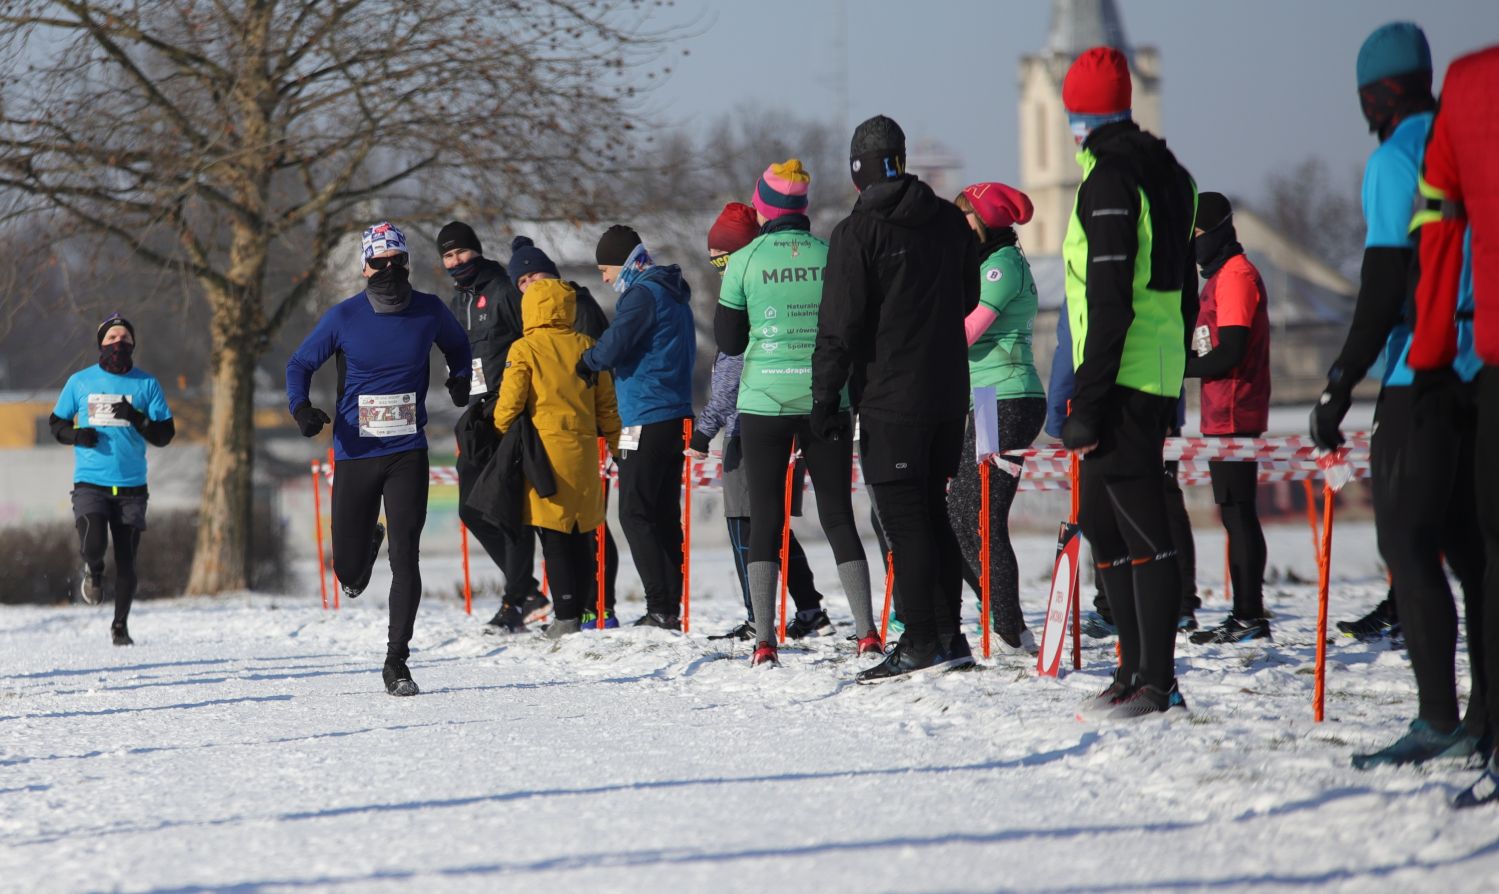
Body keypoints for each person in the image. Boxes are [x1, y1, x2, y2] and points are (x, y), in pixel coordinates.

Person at [1307, 23, 1488, 768]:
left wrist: (1339, 382)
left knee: (1406, 546)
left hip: (1420, 372)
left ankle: (1437, 720)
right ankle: (1484, 717)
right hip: (1482, 365)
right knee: (1476, 555)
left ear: (1375, 96)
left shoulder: (1393, 160)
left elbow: (1385, 282)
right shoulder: (1468, 139)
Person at [1057, 48, 1198, 719]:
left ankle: (1156, 680)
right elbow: (1186, 291)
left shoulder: (1110, 181)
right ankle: (1134, 670)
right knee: (1105, 523)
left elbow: (1109, 298)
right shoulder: (1168, 174)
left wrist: (1089, 397)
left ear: (1080, 116)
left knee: (1143, 531)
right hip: (1152, 369)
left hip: (1124, 376)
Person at [812, 115, 978, 682]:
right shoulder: (951, 225)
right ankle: (950, 636)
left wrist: (824, 398)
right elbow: (970, 294)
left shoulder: (857, 234)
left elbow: (839, 326)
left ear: (858, 170)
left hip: (890, 398)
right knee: (932, 512)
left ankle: (924, 640)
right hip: (949, 393)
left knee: (906, 522)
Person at [286, 221, 471, 696]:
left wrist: (460, 379)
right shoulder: (343, 317)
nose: (387, 270)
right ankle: (366, 543)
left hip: (407, 451)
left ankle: (397, 662)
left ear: (406, 264)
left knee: (406, 556)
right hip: (355, 452)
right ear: (364, 267)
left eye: (395, 262)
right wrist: (301, 408)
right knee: (348, 572)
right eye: (379, 263)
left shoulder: (428, 310)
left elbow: (459, 347)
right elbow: (300, 364)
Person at [716, 161, 879, 666]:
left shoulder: (744, 259)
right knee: (836, 514)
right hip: (827, 397)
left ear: (762, 206)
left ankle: (766, 640)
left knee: (765, 515)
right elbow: (856, 326)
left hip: (764, 400)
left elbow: (728, 340)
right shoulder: (832, 254)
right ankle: (867, 632)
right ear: (803, 208)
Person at [1403, 42, 1499, 807]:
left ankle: (1470, 723)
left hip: (1478, 362)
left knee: (1475, 548)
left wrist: (1430, 358)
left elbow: (1434, 236)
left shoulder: (1469, 86)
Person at [696, 201, 830, 642]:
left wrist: (704, 428)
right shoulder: (763, 282)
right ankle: (809, 608)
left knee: (745, 525)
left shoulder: (746, 295)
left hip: (746, 426)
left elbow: (732, 374)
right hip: (781, 415)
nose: (721, 270)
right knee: (769, 524)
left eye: (723, 260)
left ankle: (759, 616)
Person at [1046, 309, 1200, 639]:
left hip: (1119, 412)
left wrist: (1061, 415)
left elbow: (1073, 349)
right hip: (1143, 406)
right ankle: (1157, 609)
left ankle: (1136, 613)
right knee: (1138, 513)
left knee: (1127, 518)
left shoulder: (1098, 280)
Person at [492, 269, 622, 639]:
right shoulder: (586, 345)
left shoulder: (525, 348)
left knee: (554, 536)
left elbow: (510, 403)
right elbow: (607, 407)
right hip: (582, 453)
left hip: (543, 455)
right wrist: (615, 444)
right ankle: (583, 612)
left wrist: (499, 431)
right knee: (583, 534)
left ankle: (564, 616)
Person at [579, 226, 695, 629]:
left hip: (645, 416)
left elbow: (614, 345)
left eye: (605, 269)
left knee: (633, 513)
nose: (604, 279)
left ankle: (660, 606)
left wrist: (587, 361)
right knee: (662, 513)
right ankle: (671, 606)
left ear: (624, 263)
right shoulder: (671, 290)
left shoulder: (641, 295)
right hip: (675, 414)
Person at [947, 182, 1046, 654]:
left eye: (964, 218)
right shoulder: (986, 262)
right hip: (987, 397)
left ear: (985, 221)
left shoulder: (1001, 266)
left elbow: (966, 331)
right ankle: (1002, 616)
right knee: (961, 515)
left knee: (982, 515)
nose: (957, 227)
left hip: (1008, 398)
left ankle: (1010, 629)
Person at [437, 221, 546, 633]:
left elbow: (530, 344)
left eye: (461, 252)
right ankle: (530, 591)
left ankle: (515, 602)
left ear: (476, 250)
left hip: (512, 410)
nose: (456, 261)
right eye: (448, 256)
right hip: (477, 414)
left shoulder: (503, 290)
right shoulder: (456, 299)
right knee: (472, 508)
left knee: (509, 509)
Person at [49, 314, 175, 646]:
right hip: (91, 481)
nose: (119, 343)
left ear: (133, 345)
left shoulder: (146, 385)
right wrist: (78, 435)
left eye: (125, 339)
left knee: (127, 559)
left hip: (132, 486)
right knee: (93, 544)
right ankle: (93, 569)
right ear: (101, 345)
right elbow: (56, 423)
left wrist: (137, 418)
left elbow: (165, 434)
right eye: (112, 338)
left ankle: (120, 625)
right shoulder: (80, 382)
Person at [1184, 193, 1274, 645]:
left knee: (1240, 515)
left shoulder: (1236, 276)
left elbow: (1232, 350)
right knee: (1232, 514)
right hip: (1219, 412)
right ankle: (1245, 613)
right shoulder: (1217, 277)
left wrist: (1175, 370)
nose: (1192, 245)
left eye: (1195, 236)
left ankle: (1248, 614)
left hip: (1237, 408)